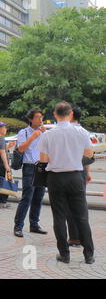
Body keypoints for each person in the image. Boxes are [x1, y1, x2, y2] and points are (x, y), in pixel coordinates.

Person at [38, 102, 95, 264]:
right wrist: (74, 158)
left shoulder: (48, 135)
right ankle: (89, 254)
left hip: (55, 178)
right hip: (76, 176)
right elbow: (89, 155)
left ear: (55, 115)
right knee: (82, 216)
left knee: (59, 217)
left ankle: (64, 254)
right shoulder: (81, 132)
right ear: (70, 114)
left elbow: (43, 160)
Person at [13, 108, 48, 238]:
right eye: (37, 117)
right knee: (27, 197)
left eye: (41, 117)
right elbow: (20, 148)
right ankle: (18, 226)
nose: (40, 120)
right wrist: (33, 137)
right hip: (29, 167)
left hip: (42, 167)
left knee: (38, 197)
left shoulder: (45, 133)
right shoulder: (24, 132)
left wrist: (46, 135)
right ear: (31, 119)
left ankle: (34, 224)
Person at [67, 105, 93, 247]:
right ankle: (83, 237)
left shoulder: (66, 131)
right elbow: (88, 154)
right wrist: (88, 171)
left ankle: (74, 237)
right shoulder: (84, 132)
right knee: (81, 203)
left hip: (68, 171)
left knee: (70, 205)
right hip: (81, 170)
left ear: (70, 115)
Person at [0, 121, 16, 209]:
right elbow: (2, 153)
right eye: (4, 127)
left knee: (0, 181)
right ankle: (2, 202)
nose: (6, 129)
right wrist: (7, 165)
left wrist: (8, 146)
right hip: (1, 164)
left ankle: (1, 201)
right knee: (4, 182)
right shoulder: (1, 139)